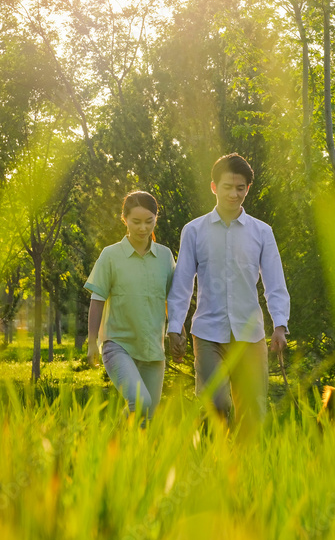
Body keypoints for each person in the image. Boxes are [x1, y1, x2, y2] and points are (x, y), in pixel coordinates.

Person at [167, 153, 289, 433]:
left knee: (253, 409)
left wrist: (280, 324)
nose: (234, 194)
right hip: (209, 333)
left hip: (250, 334)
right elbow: (182, 283)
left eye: (240, 188)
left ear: (247, 189)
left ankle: (246, 470)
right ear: (214, 187)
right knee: (216, 404)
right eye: (227, 187)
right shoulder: (194, 231)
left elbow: (275, 283)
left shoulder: (262, 232)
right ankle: (212, 466)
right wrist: (175, 326)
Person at [85, 191, 176, 423]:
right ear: (124, 219)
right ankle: (109, 442)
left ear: (156, 218)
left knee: (146, 418)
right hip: (118, 345)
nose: (143, 228)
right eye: (136, 222)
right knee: (141, 403)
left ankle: (124, 454)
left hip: (154, 350)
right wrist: (92, 341)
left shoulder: (165, 257)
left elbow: (172, 298)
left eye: (149, 221)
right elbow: (97, 300)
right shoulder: (111, 255)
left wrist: (178, 331)